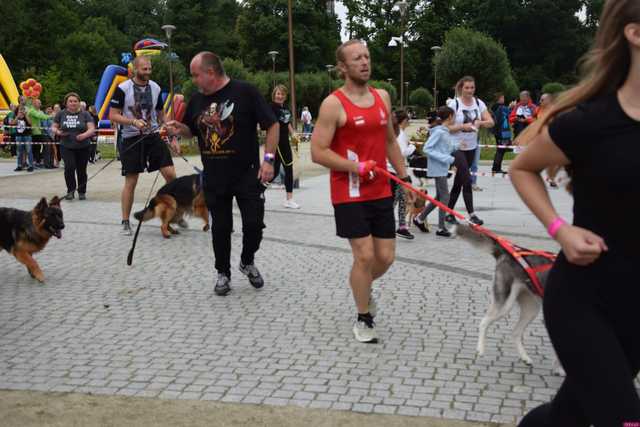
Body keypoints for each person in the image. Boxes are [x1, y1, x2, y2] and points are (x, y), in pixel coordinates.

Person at [512, 1, 640, 425]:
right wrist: (559, 229)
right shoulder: (589, 122)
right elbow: (523, 168)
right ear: (634, 34)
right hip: (585, 298)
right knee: (623, 416)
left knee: (571, 413)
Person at [311, 40, 414, 344]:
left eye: (367, 56)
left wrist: (406, 180)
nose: (364, 62)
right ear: (342, 67)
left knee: (386, 257)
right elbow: (318, 152)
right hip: (349, 191)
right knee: (365, 256)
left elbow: (390, 143)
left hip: (381, 188)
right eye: (357, 59)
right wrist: (354, 167)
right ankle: (364, 316)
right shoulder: (333, 104)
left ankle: (361, 289)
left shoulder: (382, 97)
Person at [165, 51, 278, 297]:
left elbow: (273, 125)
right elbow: (191, 131)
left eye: (196, 75)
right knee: (220, 227)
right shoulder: (196, 100)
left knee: (254, 224)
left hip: (247, 173)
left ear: (210, 72)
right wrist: (178, 128)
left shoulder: (245, 92)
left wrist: (268, 160)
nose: (194, 80)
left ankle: (247, 261)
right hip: (215, 175)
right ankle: (223, 273)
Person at [109, 55, 177, 235]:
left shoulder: (155, 87)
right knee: (131, 181)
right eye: (144, 69)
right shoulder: (122, 89)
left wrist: (171, 135)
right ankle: (125, 220)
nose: (147, 72)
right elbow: (113, 116)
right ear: (135, 69)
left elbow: (161, 115)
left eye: (149, 69)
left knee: (171, 175)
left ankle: (168, 216)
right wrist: (132, 122)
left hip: (153, 135)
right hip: (132, 137)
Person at [445, 76, 494, 225]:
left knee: (459, 181)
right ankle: (472, 214)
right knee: (467, 178)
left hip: (471, 147)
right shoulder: (455, 104)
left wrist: (481, 122)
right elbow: (445, 127)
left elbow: (491, 122)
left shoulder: (479, 103)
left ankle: (448, 212)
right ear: (461, 88)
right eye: (467, 88)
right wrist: (462, 126)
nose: (470, 91)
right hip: (456, 147)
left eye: (472, 88)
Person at [413, 106, 458, 237]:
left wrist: (457, 145)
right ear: (450, 116)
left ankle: (420, 218)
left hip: (442, 167)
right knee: (445, 197)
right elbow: (427, 149)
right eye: (453, 116)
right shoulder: (439, 131)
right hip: (439, 167)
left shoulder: (443, 131)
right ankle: (441, 227)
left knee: (440, 197)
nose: (454, 118)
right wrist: (447, 159)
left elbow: (444, 147)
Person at [52, 93, 96, 199]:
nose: (73, 103)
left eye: (75, 101)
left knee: (81, 170)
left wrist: (84, 135)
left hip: (83, 146)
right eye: (70, 101)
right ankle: (70, 191)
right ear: (66, 103)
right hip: (66, 146)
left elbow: (91, 128)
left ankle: (82, 191)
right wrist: (58, 132)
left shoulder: (85, 114)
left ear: (79, 102)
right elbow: (53, 127)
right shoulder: (61, 114)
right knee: (69, 167)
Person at [270, 84, 300, 209]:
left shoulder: (285, 109)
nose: (280, 96)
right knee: (281, 169)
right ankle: (255, 193)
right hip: (276, 142)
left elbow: (286, 123)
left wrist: (293, 133)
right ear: (274, 95)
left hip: (285, 142)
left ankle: (289, 199)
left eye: (282, 94)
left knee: (281, 170)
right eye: (278, 93)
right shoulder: (271, 108)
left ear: (285, 96)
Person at [388, 109, 416, 239]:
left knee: (403, 199)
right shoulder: (399, 134)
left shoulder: (397, 132)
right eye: (408, 120)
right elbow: (401, 152)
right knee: (394, 200)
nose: (408, 123)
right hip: (394, 172)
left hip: (397, 171)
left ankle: (402, 226)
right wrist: (412, 148)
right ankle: (386, 223)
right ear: (403, 121)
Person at [490, 93, 513, 175]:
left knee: (500, 149)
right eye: (502, 97)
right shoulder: (501, 107)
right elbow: (509, 113)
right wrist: (511, 107)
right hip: (502, 132)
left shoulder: (494, 107)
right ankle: (496, 168)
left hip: (497, 131)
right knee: (501, 150)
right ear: (499, 98)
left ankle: (496, 167)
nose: (504, 99)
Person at [26, 98, 50, 168]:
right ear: (34, 103)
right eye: (39, 103)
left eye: (40, 103)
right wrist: (51, 116)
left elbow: (42, 117)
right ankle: (38, 161)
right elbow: (40, 116)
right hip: (34, 132)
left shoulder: (39, 110)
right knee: (45, 144)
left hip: (39, 132)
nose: (40, 104)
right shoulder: (32, 110)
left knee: (38, 147)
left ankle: (38, 161)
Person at [13, 106, 34, 172]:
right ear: (17, 111)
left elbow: (30, 123)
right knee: (19, 151)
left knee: (29, 151)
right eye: (20, 110)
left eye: (23, 110)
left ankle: (31, 166)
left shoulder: (27, 116)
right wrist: (17, 116)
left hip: (27, 136)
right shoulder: (16, 116)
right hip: (18, 136)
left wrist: (25, 115)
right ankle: (19, 165)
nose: (21, 111)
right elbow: (12, 123)